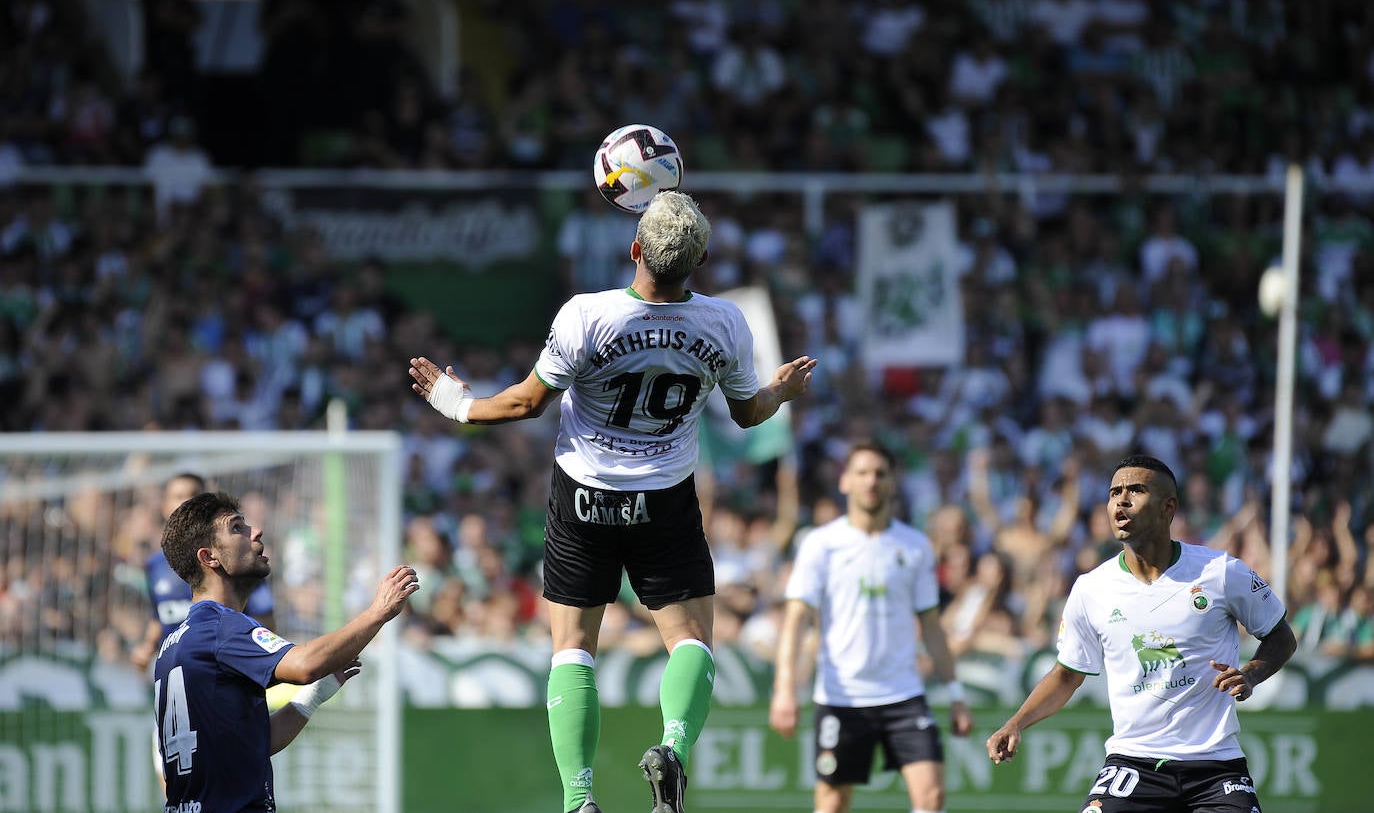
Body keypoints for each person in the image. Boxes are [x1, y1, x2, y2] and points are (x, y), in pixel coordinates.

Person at [408, 189, 816, 813]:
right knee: (691, 641)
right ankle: (673, 749)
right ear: (699, 258)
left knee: (573, 646)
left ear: (634, 249)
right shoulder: (725, 323)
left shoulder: (587, 317)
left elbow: (522, 404)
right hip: (665, 499)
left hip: (584, 498)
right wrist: (781, 390)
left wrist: (454, 402)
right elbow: (748, 412)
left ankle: (579, 800)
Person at [986, 454, 1298, 813]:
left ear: (1168, 508)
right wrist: (1016, 723)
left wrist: (1251, 674)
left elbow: (1282, 638)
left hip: (1215, 767)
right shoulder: (1092, 589)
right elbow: (1067, 674)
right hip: (1132, 763)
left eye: (1136, 490)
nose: (1121, 499)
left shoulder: (1221, 572)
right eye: (1114, 491)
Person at [153, 491, 419, 812]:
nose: (256, 532)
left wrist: (314, 696)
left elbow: (256, 743)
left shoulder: (177, 642)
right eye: (237, 528)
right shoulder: (221, 626)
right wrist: (378, 612)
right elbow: (305, 664)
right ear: (210, 557)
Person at [769, 441, 973, 813]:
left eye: (880, 473)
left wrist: (955, 693)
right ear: (845, 481)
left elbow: (931, 626)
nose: (871, 481)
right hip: (841, 696)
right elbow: (796, 619)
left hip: (903, 693)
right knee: (832, 803)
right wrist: (785, 690)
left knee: (932, 797)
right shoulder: (820, 544)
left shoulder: (915, 547)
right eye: (862, 472)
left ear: (892, 482)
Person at [133, 473, 277, 671]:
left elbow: (265, 620)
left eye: (195, 494)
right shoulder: (154, 566)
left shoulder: (240, 561)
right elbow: (159, 616)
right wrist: (148, 646)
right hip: (182, 670)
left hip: (233, 667)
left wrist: (259, 658)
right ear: (165, 506)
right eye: (179, 495)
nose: (187, 502)